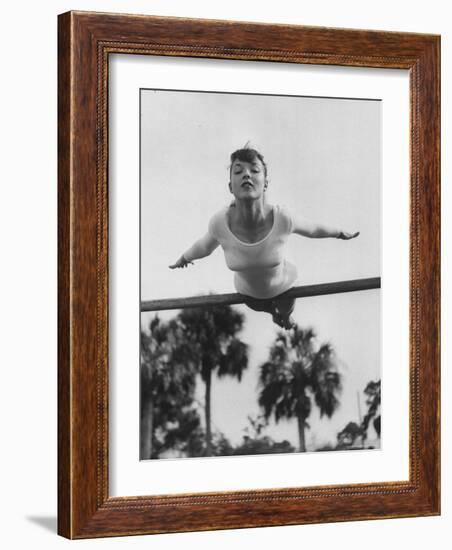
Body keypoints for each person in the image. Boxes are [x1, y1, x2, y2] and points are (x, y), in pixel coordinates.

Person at [169, 146, 359, 329]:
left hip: (284, 286)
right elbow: (203, 246)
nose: (246, 175)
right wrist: (184, 258)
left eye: (254, 170)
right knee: (260, 306)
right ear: (230, 187)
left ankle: (284, 317)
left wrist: (340, 233)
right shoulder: (220, 222)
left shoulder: (282, 217)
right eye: (238, 171)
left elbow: (314, 229)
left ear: (266, 183)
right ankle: (274, 315)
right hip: (249, 293)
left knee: (284, 310)